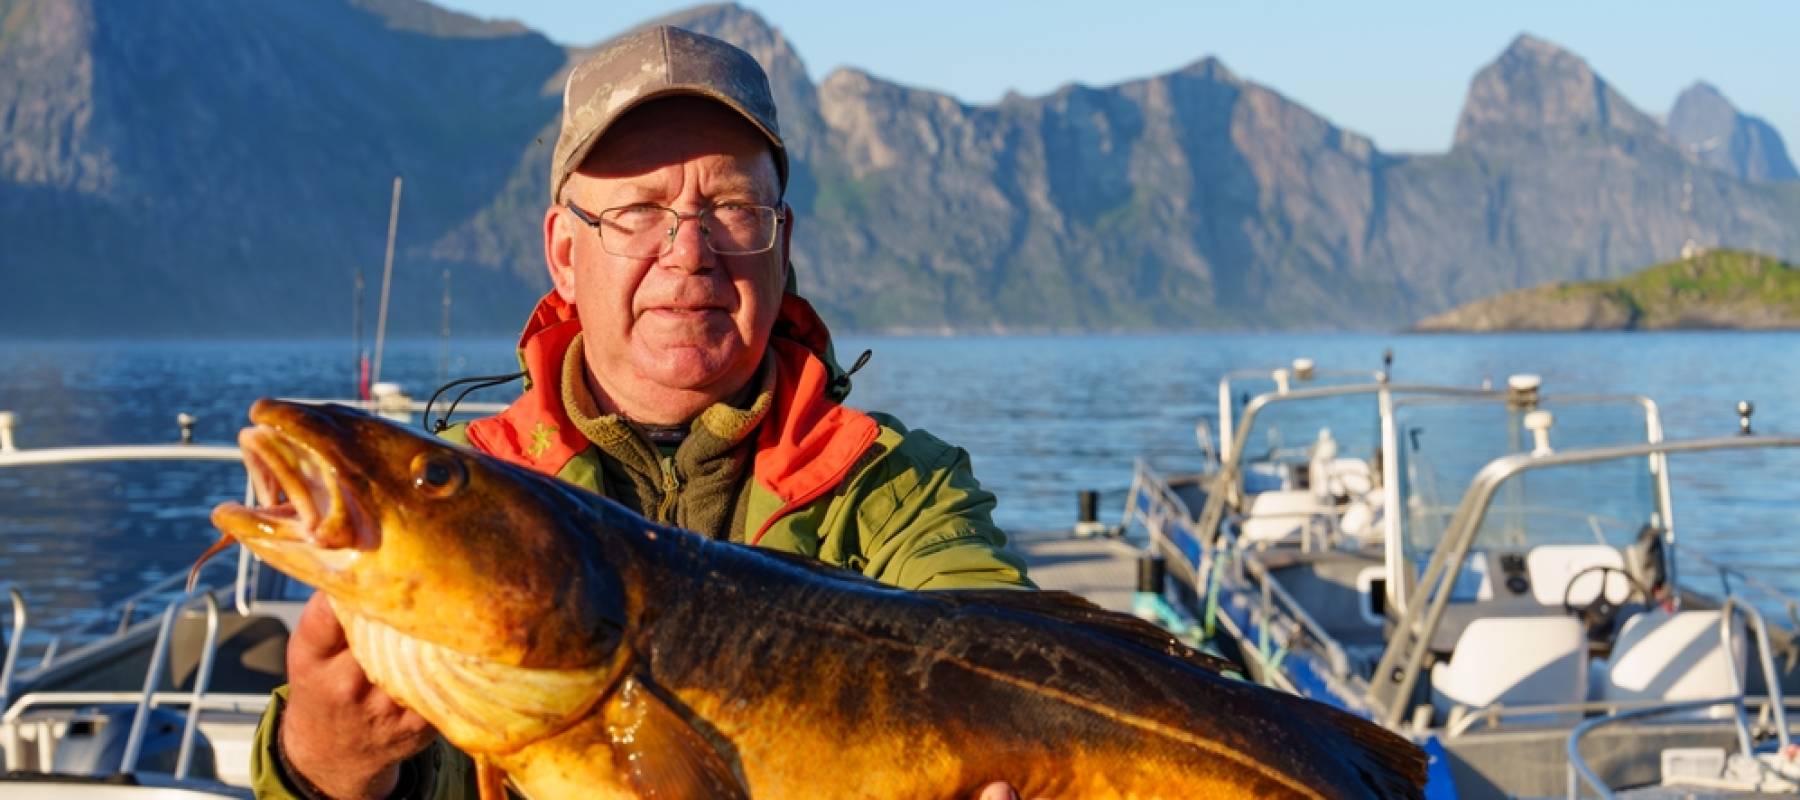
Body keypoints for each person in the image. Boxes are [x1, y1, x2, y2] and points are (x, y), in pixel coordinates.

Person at [249, 25, 1033, 799]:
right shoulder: (462, 493)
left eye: (732, 206)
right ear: (564, 252)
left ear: (780, 241)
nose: (689, 251)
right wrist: (324, 763)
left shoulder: (901, 487)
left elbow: (1024, 674)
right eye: (638, 210)